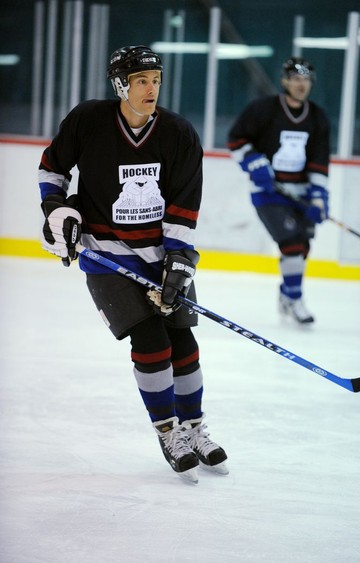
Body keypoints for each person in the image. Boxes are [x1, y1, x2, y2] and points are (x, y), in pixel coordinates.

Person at [38, 45, 228, 483]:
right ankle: (168, 432)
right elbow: (52, 169)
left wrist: (179, 261)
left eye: (156, 80)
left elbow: (183, 206)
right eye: (141, 80)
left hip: (161, 256)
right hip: (107, 256)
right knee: (150, 341)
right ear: (120, 84)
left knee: (184, 344)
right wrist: (55, 211)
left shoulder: (179, 134)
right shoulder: (88, 121)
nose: (151, 89)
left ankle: (194, 427)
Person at [227, 57, 330, 324]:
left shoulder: (317, 117)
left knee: (303, 245)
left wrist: (319, 196)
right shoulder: (263, 109)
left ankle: (287, 293)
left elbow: (319, 160)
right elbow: (236, 139)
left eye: (306, 79)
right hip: (268, 193)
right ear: (285, 81)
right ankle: (296, 300)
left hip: (301, 193)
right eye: (296, 79)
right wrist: (254, 161)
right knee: (291, 242)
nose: (301, 84)